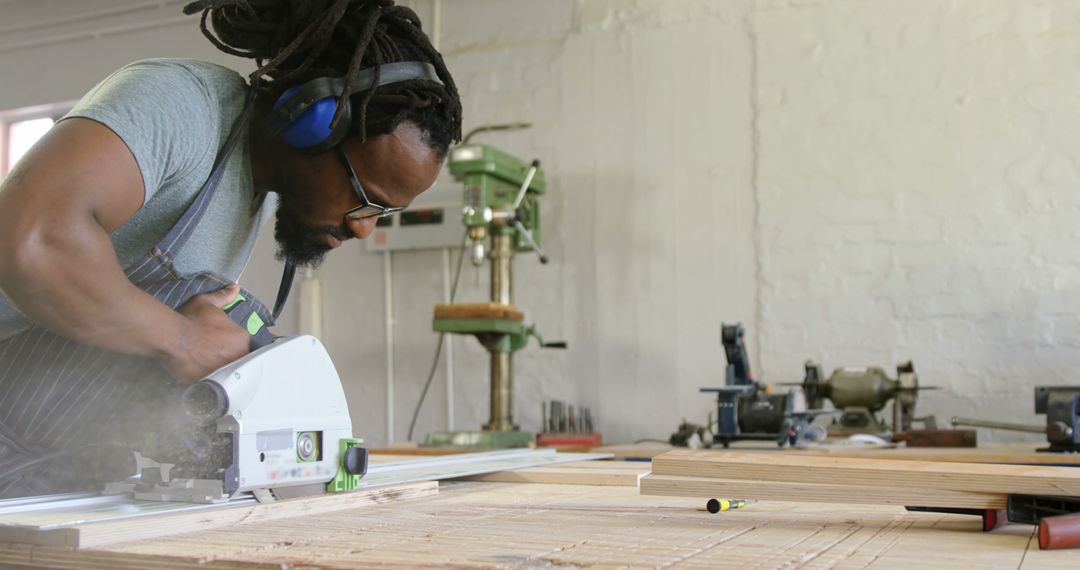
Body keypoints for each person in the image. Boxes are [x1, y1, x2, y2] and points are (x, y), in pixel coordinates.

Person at [0, 0, 461, 497]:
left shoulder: (256, 192)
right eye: (366, 199)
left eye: (382, 213)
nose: (366, 228)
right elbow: (31, 238)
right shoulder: (179, 105)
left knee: (239, 327)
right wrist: (181, 339)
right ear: (313, 123)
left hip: (50, 472)